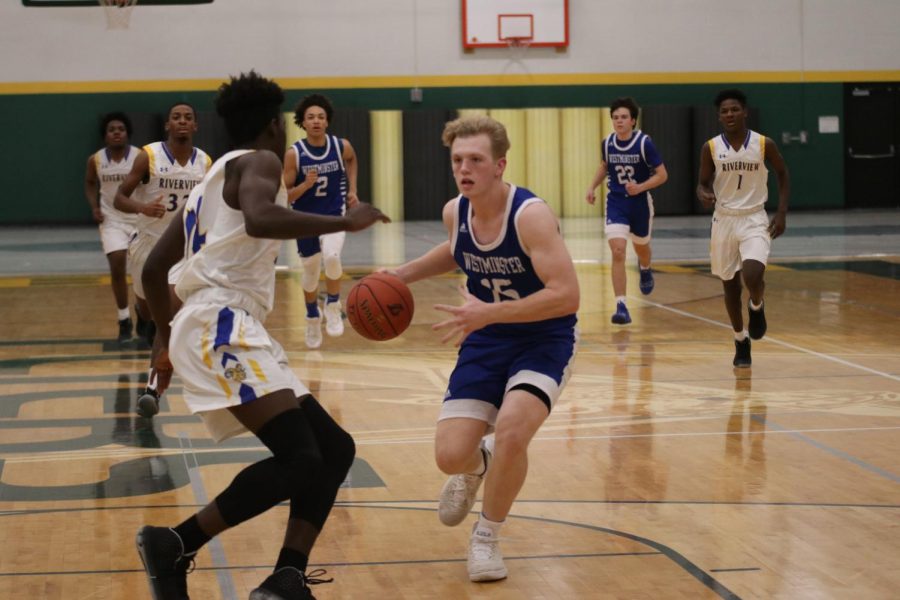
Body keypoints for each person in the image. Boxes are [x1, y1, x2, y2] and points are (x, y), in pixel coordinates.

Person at [134, 71, 389, 600]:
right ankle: (175, 543)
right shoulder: (264, 162)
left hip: (220, 323)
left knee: (334, 448)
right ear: (274, 125)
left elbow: (155, 272)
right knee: (301, 460)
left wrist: (163, 338)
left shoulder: (209, 184)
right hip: (220, 322)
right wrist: (344, 220)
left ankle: (285, 577)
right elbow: (259, 219)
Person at [389, 115, 579, 582]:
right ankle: (481, 465)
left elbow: (567, 294)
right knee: (451, 456)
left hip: (544, 337)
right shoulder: (456, 211)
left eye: (475, 159)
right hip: (487, 336)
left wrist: (487, 314)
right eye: (457, 160)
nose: (464, 168)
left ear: (499, 165)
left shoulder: (529, 215)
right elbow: (456, 249)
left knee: (513, 428)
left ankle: (487, 536)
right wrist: (399, 276)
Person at [114, 102, 212, 417]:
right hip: (147, 245)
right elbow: (119, 198)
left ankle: (152, 389)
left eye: (188, 117)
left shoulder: (205, 163)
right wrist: (142, 208)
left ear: (195, 125)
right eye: (176, 117)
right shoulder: (149, 156)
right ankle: (141, 314)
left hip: (181, 251)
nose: (182, 121)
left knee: (167, 315)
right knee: (147, 307)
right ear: (167, 125)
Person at [696, 88, 790, 367]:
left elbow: (783, 175)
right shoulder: (711, 147)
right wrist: (702, 192)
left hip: (754, 218)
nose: (729, 114)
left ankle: (757, 305)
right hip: (723, 219)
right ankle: (740, 339)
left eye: (734, 109)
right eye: (724, 111)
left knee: (752, 274)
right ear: (719, 117)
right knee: (730, 287)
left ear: (745, 112)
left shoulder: (764, 144)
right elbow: (702, 182)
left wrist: (781, 213)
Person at [282, 94, 360, 349]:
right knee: (311, 273)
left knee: (333, 257)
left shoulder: (340, 146)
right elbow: (286, 195)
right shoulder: (294, 154)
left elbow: (352, 159)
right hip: (304, 220)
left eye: (321, 117)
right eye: (311, 117)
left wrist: (352, 189)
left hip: (333, 215)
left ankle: (334, 304)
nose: (316, 121)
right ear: (302, 123)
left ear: (327, 122)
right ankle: (312, 317)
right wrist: (305, 184)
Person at [585, 97, 668, 325]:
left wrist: (640, 186)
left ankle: (645, 267)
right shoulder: (607, 143)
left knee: (642, 248)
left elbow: (662, 175)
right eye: (615, 117)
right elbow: (605, 166)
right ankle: (621, 305)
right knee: (618, 251)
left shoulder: (644, 143)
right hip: (616, 202)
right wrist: (592, 186)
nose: (619, 121)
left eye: (623, 117)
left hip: (639, 202)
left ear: (633, 120)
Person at [84, 112, 140, 343]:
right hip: (112, 219)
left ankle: (144, 315)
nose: (117, 132)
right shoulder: (95, 160)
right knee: (117, 262)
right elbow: (89, 182)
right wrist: (94, 205)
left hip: (138, 219)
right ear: (105, 136)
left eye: (121, 129)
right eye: (111, 129)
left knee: (142, 272)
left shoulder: (140, 157)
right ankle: (124, 318)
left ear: (127, 133)